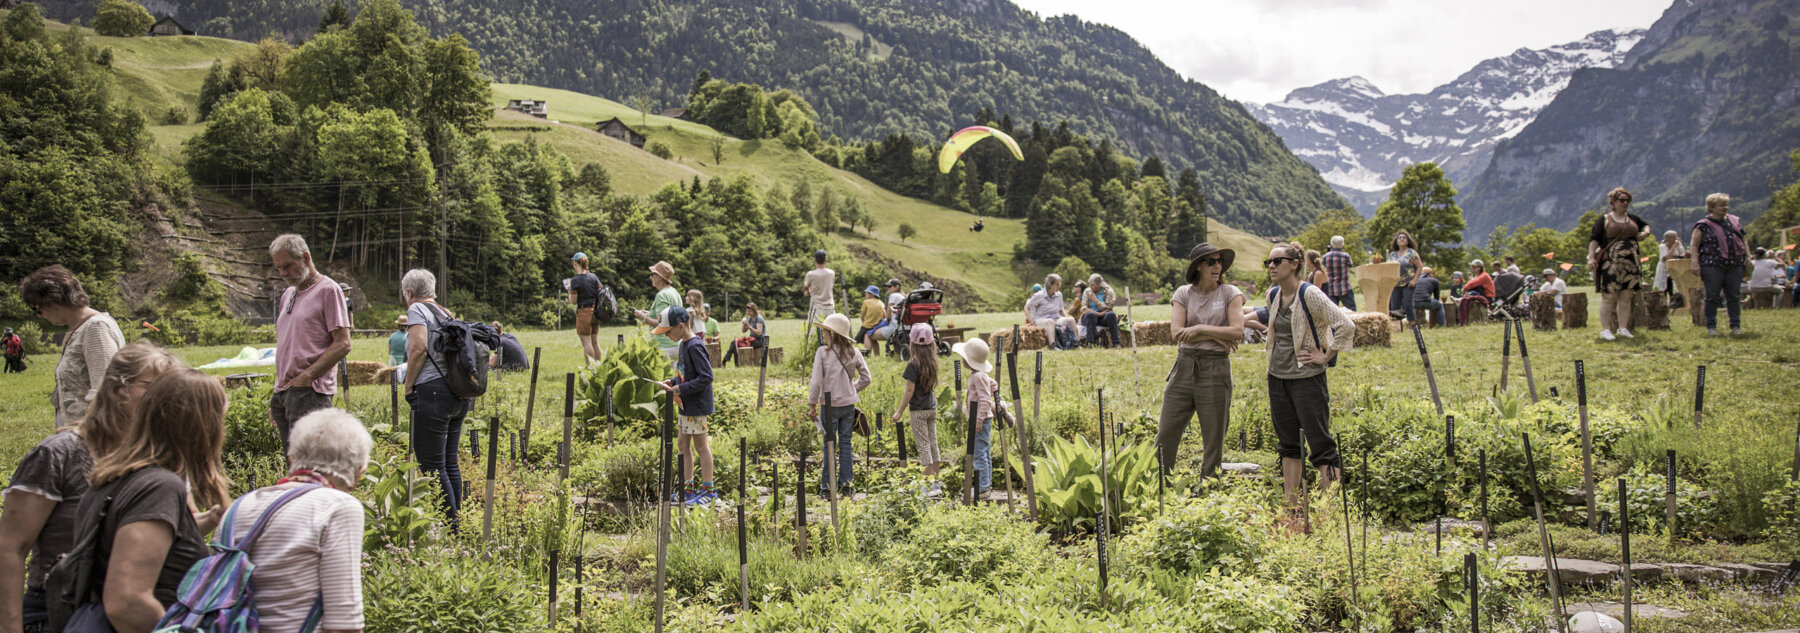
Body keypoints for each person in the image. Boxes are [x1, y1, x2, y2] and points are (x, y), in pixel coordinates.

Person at [1, 344, 179, 633]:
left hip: (128, 615)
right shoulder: (58, 454)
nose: (167, 400)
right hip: (57, 613)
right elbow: (10, 547)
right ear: (118, 390)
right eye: (155, 388)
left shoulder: (158, 456)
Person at [69, 369, 230, 633]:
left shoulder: (118, 475)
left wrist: (208, 520)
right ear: (199, 425)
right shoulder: (159, 487)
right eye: (219, 422)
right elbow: (128, 602)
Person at [225, 408, 371, 633]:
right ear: (359, 474)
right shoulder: (338, 507)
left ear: (292, 458)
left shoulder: (239, 506)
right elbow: (344, 624)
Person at [1262, 243, 1354, 519]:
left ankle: (1331, 510)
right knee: (1288, 443)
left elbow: (1345, 324)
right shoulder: (1273, 295)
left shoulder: (1310, 293)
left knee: (1320, 442)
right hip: (1278, 377)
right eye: (1268, 262)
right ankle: (1290, 508)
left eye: (1278, 261)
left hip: (1307, 378)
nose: (1271, 266)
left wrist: (1325, 355)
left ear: (1294, 263)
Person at [1157, 243, 1244, 480]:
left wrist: (1198, 329)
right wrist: (1218, 333)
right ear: (1198, 267)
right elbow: (1177, 333)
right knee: (1166, 433)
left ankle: (1208, 488)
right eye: (1211, 262)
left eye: (1219, 262)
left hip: (1215, 366)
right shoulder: (1183, 293)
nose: (1218, 266)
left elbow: (1237, 331)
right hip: (1184, 366)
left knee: (1213, 436)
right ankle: (1161, 485)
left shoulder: (1230, 293)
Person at [400, 268, 470, 532]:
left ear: (409, 292)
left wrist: (408, 387)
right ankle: (459, 523)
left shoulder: (417, 310)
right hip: (455, 392)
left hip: (432, 392)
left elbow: (418, 347)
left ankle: (450, 528)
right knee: (449, 463)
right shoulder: (445, 312)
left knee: (431, 465)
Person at [268, 235, 353, 452]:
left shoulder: (328, 290)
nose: (283, 273)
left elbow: (343, 343)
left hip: (310, 392)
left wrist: (306, 377)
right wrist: (280, 393)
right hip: (286, 391)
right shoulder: (288, 294)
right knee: (294, 464)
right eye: (279, 268)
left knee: (312, 462)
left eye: (287, 266)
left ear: (305, 257)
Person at [20, 266, 125, 429]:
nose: (39, 315)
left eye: (37, 309)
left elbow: (105, 392)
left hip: (92, 439)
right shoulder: (79, 328)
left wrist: (86, 439)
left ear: (53, 301)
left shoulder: (96, 328)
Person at [653, 307, 717, 505]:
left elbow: (706, 376)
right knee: (683, 444)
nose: (667, 336)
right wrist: (673, 382)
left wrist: (682, 389)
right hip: (685, 404)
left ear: (681, 326)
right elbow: (685, 374)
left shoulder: (694, 346)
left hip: (696, 406)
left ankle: (708, 490)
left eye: (668, 332)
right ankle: (687, 489)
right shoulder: (683, 344)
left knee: (700, 446)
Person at [806, 314, 870, 496]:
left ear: (832, 334)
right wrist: (852, 389)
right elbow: (867, 378)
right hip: (848, 404)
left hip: (829, 405)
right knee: (846, 444)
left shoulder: (823, 353)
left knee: (829, 444)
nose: (824, 334)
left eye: (826, 331)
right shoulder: (853, 352)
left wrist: (812, 404)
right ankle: (847, 485)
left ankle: (827, 487)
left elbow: (816, 381)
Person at [1589, 187, 1651, 341]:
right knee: (1608, 297)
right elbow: (1594, 239)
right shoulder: (1604, 219)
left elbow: (1645, 226)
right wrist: (1591, 257)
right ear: (1613, 202)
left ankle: (1623, 328)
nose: (1625, 203)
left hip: (1631, 262)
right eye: (1622, 200)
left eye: (1627, 200)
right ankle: (1605, 329)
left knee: (1627, 296)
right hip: (1611, 263)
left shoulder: (1632, 218)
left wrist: (1645, 233)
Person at [891, 327, 943, 495]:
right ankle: (936, 483)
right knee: (933, 443)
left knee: (924, 447)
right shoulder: (933, 361)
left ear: (912, 343)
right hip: (932, 408)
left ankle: (927, 485)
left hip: (918, 411)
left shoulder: (913, 365)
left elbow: (909, 391)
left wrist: (899, 412)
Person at [1689, 193, 1748, 335]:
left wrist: (1748, 255)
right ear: (1711, 208)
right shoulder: (1703, 225)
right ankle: (1711, 326)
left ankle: (1735, 326)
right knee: (1712, 296)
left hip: (1735, 264)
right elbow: (1694, 245)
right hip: (1711, 265)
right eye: (1721, 205)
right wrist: (1695, 262)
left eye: (1726, 205)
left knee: (1733, 295)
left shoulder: (1734, 221)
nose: (1725, 208)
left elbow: (1743, 239)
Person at [952, 337, 998, 496]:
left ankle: (983, 488)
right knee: (984, 452)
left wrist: (979, 419)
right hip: (984, 419)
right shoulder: (980, 375)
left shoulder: (978, 376)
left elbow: (985, 399)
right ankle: (986, 483)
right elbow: (993, 385)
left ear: (968, 361)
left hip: (981, 421)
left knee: (979, 453)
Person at [632, 261, 683, 360]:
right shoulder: (674, 292)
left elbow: (662, 324)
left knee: (662, 376)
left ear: (660, 277)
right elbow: (668, 316)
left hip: (664, 346)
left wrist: (643, 317)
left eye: (652, 274)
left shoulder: (661, 295)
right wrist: (650, 313)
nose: (650, 277)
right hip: (676, 344)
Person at [569, 253, 604, 364]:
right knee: (595, 342)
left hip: (584, 313)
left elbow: (573, 301)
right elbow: (601, 292)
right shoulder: (594, 277)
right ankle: (598, 368)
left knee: (587, 343)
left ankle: (590, 369)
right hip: (596, 312)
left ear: (575, 263)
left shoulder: (575, 281)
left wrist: (570, 291)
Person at [1025, 274, 1077, 349]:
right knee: (1050, 321)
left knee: (1071, 319)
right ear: (1050, 284)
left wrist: (1066, 320)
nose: (1059, 286)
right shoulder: (1039, 295)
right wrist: (1031, 321)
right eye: (1057, 284)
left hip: (1056, 318)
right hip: (1041, 319)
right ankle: (1052, 345)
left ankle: (1077, 343)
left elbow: (1061, 310)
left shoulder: (1059, 295)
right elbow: (1027, 307)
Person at [1082, 274, 1122, 347]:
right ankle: (1090, 342)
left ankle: (1116, 342)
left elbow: (1107, 308)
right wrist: (1099, 314)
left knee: (1111, 314)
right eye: (1090, 285)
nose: (1091, 287)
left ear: (1099, 284)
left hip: (1103, 317)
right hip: (1090, 317)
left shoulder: (1109, 291)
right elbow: (1084, 308)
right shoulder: (1087, 291)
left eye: (1093, 285)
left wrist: (1095, 299)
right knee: (1091, 315)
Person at [1387, 231, 1421, 319]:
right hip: (1395, 284)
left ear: (1408, 241)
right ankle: (1397, 328)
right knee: (1395, 307)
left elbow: (1420, 267)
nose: (1401, 239)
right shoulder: (1392, 254)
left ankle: (1413, 328)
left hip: (1408, 283)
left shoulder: (1412, 253)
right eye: (1399, 238)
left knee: (1408, 306)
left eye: (1404, 237)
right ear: (1396, 241)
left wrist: (1415, 280)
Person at [802, 249, 836, 327]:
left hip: (816, 308)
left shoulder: (810, 274)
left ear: (814, 260)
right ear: (825, 259)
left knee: (813, 332)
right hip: (830, 307)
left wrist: (809, 289)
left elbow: (805, 289)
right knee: (831, 332)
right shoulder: (831, 273)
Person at [1323, 236, 1356, 310]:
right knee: (1352, 310)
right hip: (1345, 287)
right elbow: (1351, 264)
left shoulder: (1325, 257)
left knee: (1332, 312)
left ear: (1331, 245)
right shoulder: (1346, 256)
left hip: (1331, 289)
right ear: (1342, 245)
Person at [1457, 260, 1495, 325]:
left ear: (1479, 268)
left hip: (1488, 297)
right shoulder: (1479, 275)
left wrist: (1464, 289)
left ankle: (1463, 298)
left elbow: (1472, 283)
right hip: (1484, 294)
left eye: (1474, 267)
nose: (1472, 268)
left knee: (1474, 286)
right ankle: (1463, 298)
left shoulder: (1484, 275)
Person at [1656, 231, 1689, 307]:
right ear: (1668, 238)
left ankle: (1673, 302)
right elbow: (1666, 257)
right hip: (1664, 269)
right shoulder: (1662, 246)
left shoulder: (1677, 245)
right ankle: (1663, 304)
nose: (1675, 239)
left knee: (1672, 287)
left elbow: (1683, 254)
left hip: (1676, 268)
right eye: (1673, 237)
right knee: (1663, 288)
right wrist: (1673, 247)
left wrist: (1680, 245)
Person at [858, 286, 886, 354]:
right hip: (877, 326)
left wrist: (865, 323)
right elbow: (884, 316)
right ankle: (877, 355)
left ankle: (867, 354)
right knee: (873, 340)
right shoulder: (881, 302)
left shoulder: (866, 302)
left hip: (867, 325)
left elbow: (862, 316)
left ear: (872, 294)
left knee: (857, 340)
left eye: (867, 293)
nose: (865, 295)